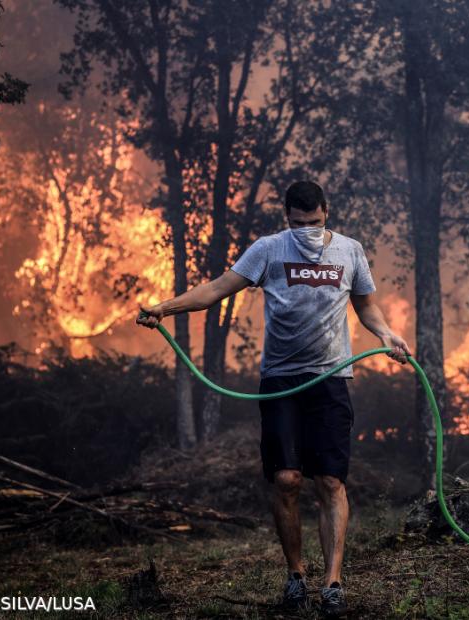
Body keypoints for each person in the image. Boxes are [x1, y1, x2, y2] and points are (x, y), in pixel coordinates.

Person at [136, 180, 411, 617]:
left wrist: (388, 335)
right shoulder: (268, 249)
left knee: (331, 482)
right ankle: (296, 576)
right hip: (281, 380)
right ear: (287, 217)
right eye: (299, 223)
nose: (307, 230)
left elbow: (367, 307)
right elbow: (215, 290)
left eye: (315, 222)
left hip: (331, 378)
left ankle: (333, 585)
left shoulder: (349, 251)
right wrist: (163, 308)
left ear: (327, 213)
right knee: (286, 480)